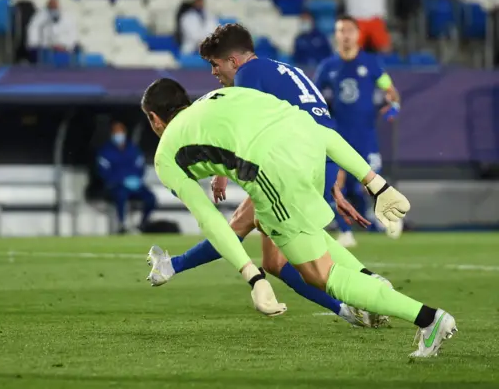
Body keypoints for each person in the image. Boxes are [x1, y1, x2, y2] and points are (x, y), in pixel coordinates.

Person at [142, 78, 457, 358]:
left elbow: (210, 219)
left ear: (155, 119)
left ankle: (428, 318)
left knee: (317, 273)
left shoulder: (165, 155)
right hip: (308, 148)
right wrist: (376, 183)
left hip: (272, 172)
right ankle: (370, 280)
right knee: (284, 226)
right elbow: (319, 132)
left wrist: (253, 277)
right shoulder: (221, 97)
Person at [147, 23, 385, 328]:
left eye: (215, 64)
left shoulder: (248, 76)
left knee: (240, 225)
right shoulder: (281, 69)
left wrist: (221, 174)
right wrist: (329, 173)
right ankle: (352, 308)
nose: (213, 74)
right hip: (317, 155)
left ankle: (371, 291)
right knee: (274, 262)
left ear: (233, 61)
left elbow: (242, 130)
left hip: (297, 161)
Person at [315, 15, 402, 248]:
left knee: (372, 183)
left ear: (357, 34)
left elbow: (391, 92)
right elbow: (312, 97)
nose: (345, 35)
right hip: (338, 135)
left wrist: (393, 107)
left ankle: (391, 217)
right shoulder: (327, 67)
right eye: (340, 30)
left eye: (349, 30)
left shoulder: (371, 64)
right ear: (336, 35)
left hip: (366, 135)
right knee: (337, 182)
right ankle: (345, 232)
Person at [97, 121, 157, 234]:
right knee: (121, 195)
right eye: (116, 132)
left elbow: (140, 167)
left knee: (151, 198)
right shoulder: (105, 152)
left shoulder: (133, 149)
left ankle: (142, 224)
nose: (119, 135)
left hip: (135, 184)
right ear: (111, 134)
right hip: (115, 186)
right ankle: (122, 225)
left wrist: (136, 179)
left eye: (121, 132)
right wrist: (120, 180)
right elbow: (104, 172)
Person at [26, 0, 78, 64]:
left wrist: (65, 46)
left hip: (63, 48)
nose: (53, 8)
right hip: (45, 49)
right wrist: (39, 45)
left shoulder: (67, 18)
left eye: (55, 5)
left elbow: (72, 34)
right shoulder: (39, 17)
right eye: (51, 6)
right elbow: (33, 32)